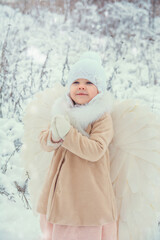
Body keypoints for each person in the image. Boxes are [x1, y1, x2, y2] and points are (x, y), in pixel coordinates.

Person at [36, 51, 118, 240]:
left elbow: (96, 150)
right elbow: (44, 142)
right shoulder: (62, 112)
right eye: (76, 82)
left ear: (99, 89)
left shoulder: (101, 117)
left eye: (89, 83)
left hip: (89, 196)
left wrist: (67, 134)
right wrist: (54, 136)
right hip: (60, 195)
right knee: (60, 231)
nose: (81, 87)